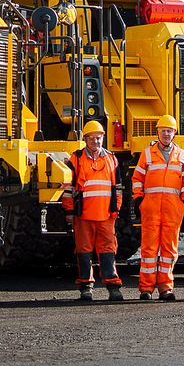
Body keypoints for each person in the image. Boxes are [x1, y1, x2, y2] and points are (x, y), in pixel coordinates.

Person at [131, 114, 184, 301]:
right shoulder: (147, 154)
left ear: (175, 133)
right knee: (149, 249)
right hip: (151, 207)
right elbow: (137, 178)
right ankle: (146, 289)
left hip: (173, 209)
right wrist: (139, 199)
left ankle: (166, 288)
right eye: (163, 130)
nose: (166, 134)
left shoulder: (182, 156)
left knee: (169, 249)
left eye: (169, 131)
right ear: (157, 132)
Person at [63, 120, 124, 302]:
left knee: (108, 250)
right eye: (92, 138)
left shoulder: (112, 159)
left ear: (103, 138)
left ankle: (113, 288)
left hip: (106, 215)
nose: (96, 142)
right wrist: (69, 211)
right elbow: (68, 187)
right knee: (83, 251)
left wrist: (116, 209)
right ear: (85, 139)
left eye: (99, 138)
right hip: (83, 215)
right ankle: (86, 289)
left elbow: (118, 188)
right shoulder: (76, 159)